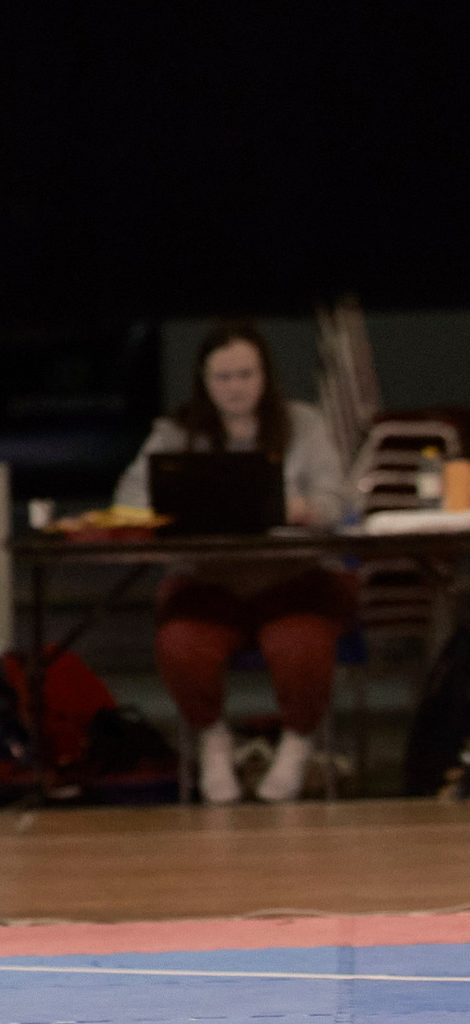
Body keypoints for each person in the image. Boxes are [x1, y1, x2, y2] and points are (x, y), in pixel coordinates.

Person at [114, 320, 355, 804]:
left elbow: (339, 501)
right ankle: (213, 739)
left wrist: (304, 509)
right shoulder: (175, 431)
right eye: (222, 377)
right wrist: (171, 514)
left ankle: (297, 744)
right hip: (207, 580)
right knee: (181, 645)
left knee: (300, 647)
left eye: (246, 374)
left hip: (294, 576)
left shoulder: (304, 423)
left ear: (265, 375)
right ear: (204, 380)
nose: (235, 387)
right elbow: (130, 501)